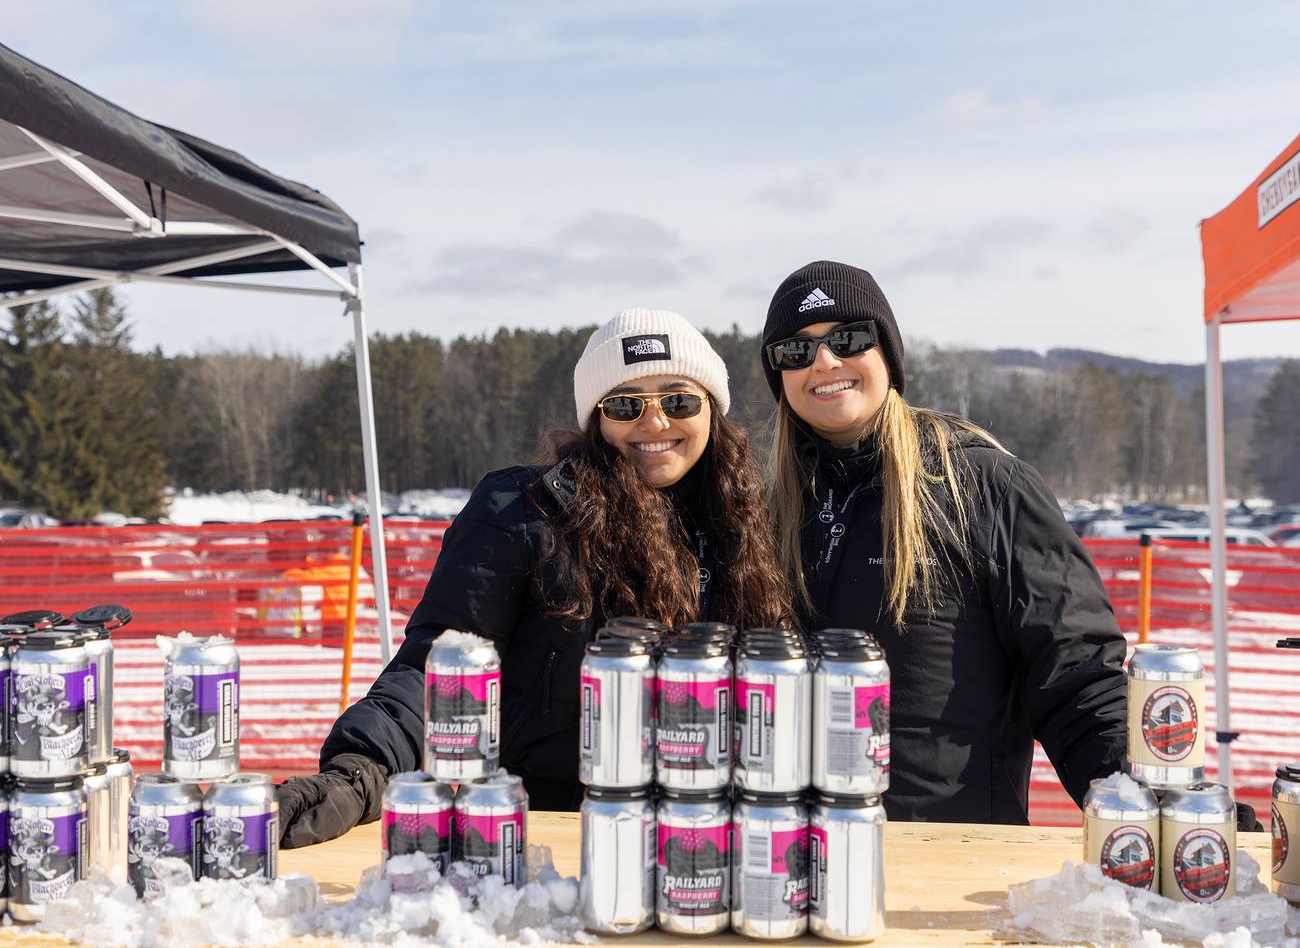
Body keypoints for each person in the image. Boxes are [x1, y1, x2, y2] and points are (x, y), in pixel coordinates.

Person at [277, 309, 793, 847]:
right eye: (624, 404)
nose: (655, 422)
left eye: (678, 399)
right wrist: (359, 771)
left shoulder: (756, 527)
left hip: (710, 845)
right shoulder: (526, 512)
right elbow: (440, 663)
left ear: (713, 409)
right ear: (597, 419)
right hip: (549, 836)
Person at [759, 259, 1129, 824]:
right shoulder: (767, 514)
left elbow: (1077, 677)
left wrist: (1149, 814)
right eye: (796, 350)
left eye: (848, 338)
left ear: (888, 353)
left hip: (949, 866)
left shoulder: (980, 486)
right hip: (793, 865)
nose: (824, 362)